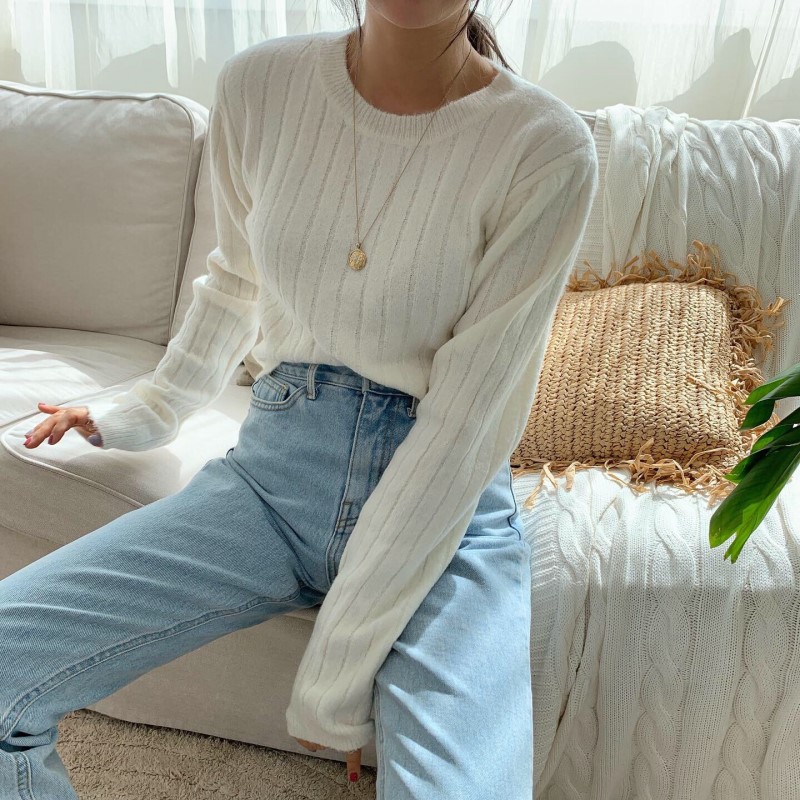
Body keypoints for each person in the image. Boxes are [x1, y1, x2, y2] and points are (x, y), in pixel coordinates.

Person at [0, 1, 598, 797]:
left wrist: (337, 675)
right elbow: (235, 280)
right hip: (271, 480)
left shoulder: (545, 145)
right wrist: (142, 410)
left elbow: (467, 421)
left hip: (444, 512)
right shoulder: (261, 84)